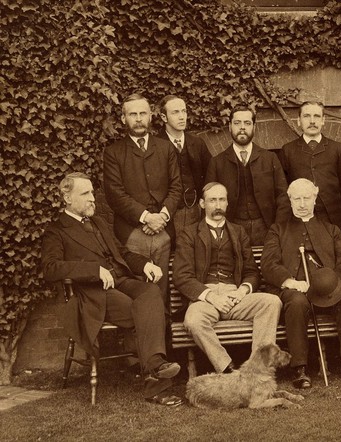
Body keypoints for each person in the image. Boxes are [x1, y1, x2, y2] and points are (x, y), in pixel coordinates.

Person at [41, 172, 183, 406]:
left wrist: (145, 264)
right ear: (67, 198)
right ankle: (156, 379)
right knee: (142, 309)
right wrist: (93, 271)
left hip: (120, 280)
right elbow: (51, 268)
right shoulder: (56, 230)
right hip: (94, 294)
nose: (92, 199)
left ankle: (154, 366)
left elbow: (122, 253)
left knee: (151, 293)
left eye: (92, 193)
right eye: (84, 194)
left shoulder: (98, 222)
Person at [261, 178, 341, 389]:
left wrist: (333, 283)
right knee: (297, 301)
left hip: (329, 290)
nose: (302, 204)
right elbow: (269, 263)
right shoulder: (277, 230)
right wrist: (290, 281)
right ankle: (299, 368)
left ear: (315, 198)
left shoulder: (331, 229)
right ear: (289, 200)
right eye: (297, 199)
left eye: (306, 198)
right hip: (295, 290)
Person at [173, 182, 282, 374]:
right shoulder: (189, 234)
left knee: (271, 302)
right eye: (212, 200)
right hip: (206, 299)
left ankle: (258, 369)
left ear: (227, 203)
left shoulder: (239, 232)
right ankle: (226, 368)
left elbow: (251, 271)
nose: (217, 205)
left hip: (235, 297)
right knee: (192, 319)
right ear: (202, 204)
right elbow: (182, 276)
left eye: (221, 200)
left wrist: (242, 290)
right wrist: (212, 297)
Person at [103, 93, 182, 304]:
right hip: (131, 234)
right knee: (138, 294)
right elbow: (115, 194)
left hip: (164, 232)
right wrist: (147, 217)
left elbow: (176, 187)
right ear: (123, 119)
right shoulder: (113, 152)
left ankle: (164, 335)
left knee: (163, 293)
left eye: (143, 113)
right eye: (133, 114)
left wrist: (162, 217)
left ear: (150, 116)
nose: (138, 119)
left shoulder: (166, 148)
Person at [206, 105, 289, 246]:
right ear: (230, 127)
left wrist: (277, 228)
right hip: (231, 230)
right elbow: (210, 202)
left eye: (247, 123)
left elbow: (283, 196)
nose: (242, 127)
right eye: (237, 123)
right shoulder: (217, 162)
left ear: (254, 127)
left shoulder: (270, 159)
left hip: (266, 228)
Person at [279, 101, 341, 238]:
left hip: (332, 217)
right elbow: (284, 189)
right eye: (307, 116)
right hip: (300, 216)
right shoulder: (288, 150)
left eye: (317, 116)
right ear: (299, 121)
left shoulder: (337, 148)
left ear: (323, 120)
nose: (312, 121)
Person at [157, 95, 212, 235]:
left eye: (184, 111)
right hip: (168, 214)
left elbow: (210, 174)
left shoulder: (197, 143)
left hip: (196, 210)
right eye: (175, 112)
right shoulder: (155, 145)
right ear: (164, 117)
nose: (182, 117)